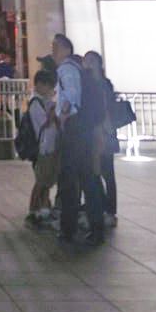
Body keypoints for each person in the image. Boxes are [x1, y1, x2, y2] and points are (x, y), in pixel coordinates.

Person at [53, 33, 105, 247]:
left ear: (64, 49)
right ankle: (95, 226)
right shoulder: (79, 67)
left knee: (68, 181)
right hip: (85, 130)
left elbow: (72, 97)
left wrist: (64, 116)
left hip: (74, 131)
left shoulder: (67, 68)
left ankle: (69, 228)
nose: (53, 52)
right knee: (88, 178)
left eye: (55, 47)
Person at [83, 49, 118, 225]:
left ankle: (110, 211)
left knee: (108, 172)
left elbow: (107, 108)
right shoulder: (87, 83)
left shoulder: (104, 84)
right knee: (95, 171)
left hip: (105, 131)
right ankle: (101, 206)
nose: (87, 64)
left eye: (91, 60)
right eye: (85, 60)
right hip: (93, 132)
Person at [24, 67, 59, 225]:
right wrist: (53, 115)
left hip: (48, 146)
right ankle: (34, 209)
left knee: (45, 179)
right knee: (41, 180)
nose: (51, 90)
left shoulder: (44, 102)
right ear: (40, 85)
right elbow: (42, 125)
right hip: (42, 147)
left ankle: (44, 207)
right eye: (49, 86)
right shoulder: (36, 103)